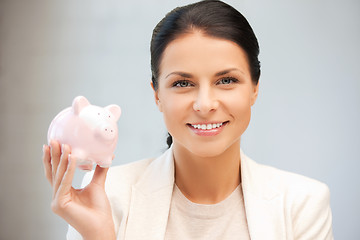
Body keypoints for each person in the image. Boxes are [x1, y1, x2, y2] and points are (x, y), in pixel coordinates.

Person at [42, 0, 334, 239]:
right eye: (183, 83)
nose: (205, 104)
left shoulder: (303, 203)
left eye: (227, 80)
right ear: (157, 94)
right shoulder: (109, 197)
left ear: (255, 88)